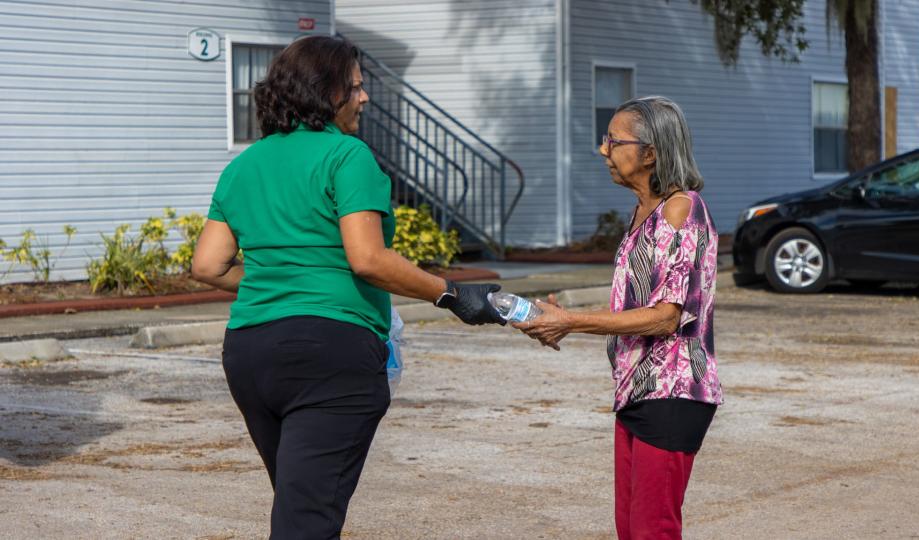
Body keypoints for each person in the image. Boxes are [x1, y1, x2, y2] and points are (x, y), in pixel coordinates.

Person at [191, 35, 503, 539]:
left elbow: (207, 265)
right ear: (323, 91)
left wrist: (284, 280)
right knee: (307, 518)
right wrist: (451, 294)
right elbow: (368, 259)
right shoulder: (346, 156)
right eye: (354, 88)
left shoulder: (243, 166)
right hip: (329, 354)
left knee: (299, 504)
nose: (364, 98)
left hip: (250, 352)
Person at [515, 96, 723, 540]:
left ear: (650, 153)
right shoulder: (642, 213)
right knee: (631, 530)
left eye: (613, 140)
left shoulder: (680, 209)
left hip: (672, 391)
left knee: (652, 531)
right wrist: (559, 319)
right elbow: (634, 309)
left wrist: (571, 320)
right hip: (635, 391)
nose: (602, 149)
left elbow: (666, 317)